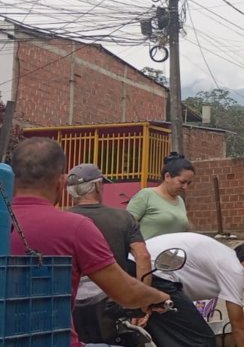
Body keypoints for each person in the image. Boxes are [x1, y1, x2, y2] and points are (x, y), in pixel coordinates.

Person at [7, 138, 170, 347]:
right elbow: (126, 292)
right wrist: (158, 296)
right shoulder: (75, 227)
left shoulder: (7, 222)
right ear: (61, 182)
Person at [143, 233, 244, 347]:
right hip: (155, 273)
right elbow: (239, 327)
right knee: (201, 340)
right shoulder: (235, 269)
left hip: (141, 268)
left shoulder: (222, 257)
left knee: (167, 335)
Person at [65, 163, 152, 301]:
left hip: (70, 298)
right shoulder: (123, 218)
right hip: (112, 299)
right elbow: (143, 257)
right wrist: (142, 303)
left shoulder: (61, 219)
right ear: (98, 186)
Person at [127, 152, 194, 240]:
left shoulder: (180, 200)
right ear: (167, 176)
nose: (185, 187)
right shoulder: (146, 195)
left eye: (188, 183)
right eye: (182, 182)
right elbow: (126, 226)